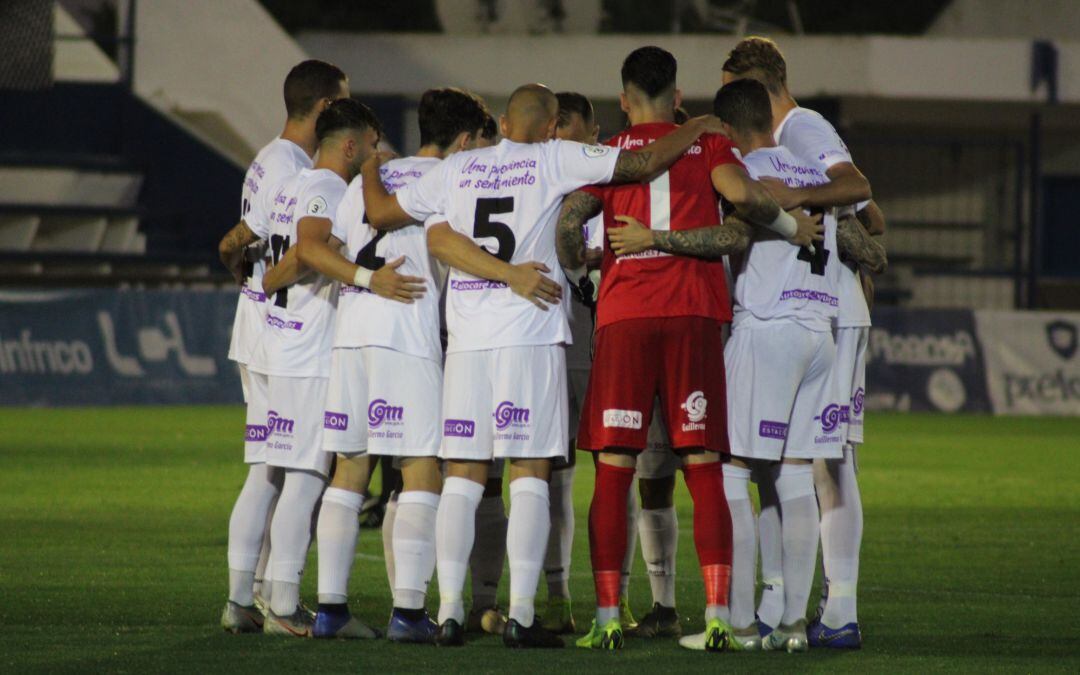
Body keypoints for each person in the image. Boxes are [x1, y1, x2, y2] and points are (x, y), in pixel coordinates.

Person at [362, 82, 734, 648]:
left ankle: (452, 612)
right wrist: (696, 127)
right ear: (553, 124)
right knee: (530, 473)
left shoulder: (461, 168)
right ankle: (523, 616)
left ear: (505, 123)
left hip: (466, 341)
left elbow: (385, 213)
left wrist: (370, 165)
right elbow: (642, 161)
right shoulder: (554, 158)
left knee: (462, 476)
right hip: (528, 332)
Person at [555, 45, 821, 652]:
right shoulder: (708, 145)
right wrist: (788, 225)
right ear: (678, 96)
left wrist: (581, 271)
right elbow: (747, 203)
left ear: (624, 101)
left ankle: (605, 617)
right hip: (695, 316)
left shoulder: (610, 154)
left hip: (623, 319)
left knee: (614, 469)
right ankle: (722, 614)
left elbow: (570, 222)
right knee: (702, 466)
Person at [300, 87, 488, 643]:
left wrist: (361, 279)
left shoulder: (366, 178)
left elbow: (326, 245)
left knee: (349, 471)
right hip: (405, 336)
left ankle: (331, 609)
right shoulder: (450, 179)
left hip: (351, 335)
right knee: (421, 469)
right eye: (477, 142)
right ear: (463, 140)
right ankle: (408, 612)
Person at [707, 78, 885, 652]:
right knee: (792, 475)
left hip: (767, 329)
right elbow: (867, 226)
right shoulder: (817, 174)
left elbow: (737, 221)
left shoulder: (747, 173)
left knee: (734, 471)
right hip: (819, 335)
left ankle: (738, 625)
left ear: (730, 128)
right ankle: (788, 627)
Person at [217, 59, 349, 634]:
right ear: (324, 109)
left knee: (268, 468)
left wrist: (243, 272)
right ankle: (281, 601)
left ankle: (245, 598)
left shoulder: (269, 159)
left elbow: (240, 238)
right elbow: (293, 251)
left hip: (265, 327)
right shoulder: (300, 170)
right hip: (286, 331)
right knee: (298, 469)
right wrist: (264, 281)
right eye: (341, 104)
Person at [251, 98, 383, 637]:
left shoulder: (293, 186)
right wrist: (364, 275)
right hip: (309, 349)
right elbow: (309, 249)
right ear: (350, 145)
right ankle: (283, 604)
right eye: (371, 146)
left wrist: (270, 282)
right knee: (306, 477)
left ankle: (264, 595)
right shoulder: (329, 188)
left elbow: (290, 257)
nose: (374, 156)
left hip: (286, 343)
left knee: (285, 477)